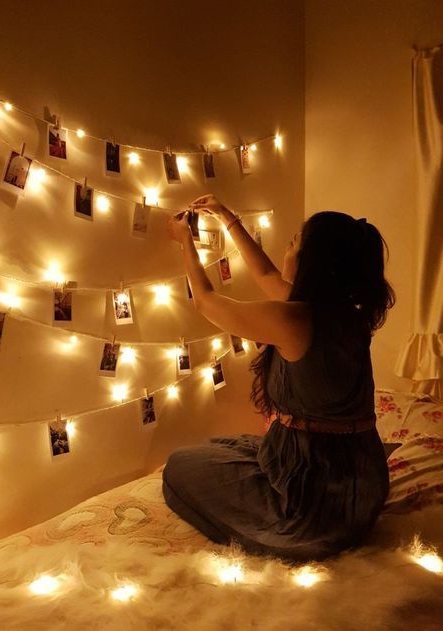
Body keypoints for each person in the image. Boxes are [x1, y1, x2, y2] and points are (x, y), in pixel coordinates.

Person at [162, 194, 395, 562]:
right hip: (359, 483)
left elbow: (206, 302)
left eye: (294, 242)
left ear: (312, 263)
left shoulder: (295, 320)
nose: (287, 246)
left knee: (179, 465)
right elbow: (267, 275)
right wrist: (226, 217)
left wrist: (184, 241)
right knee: (227, 446)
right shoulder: (346, 313)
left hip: (317, 503)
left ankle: (293, 532)